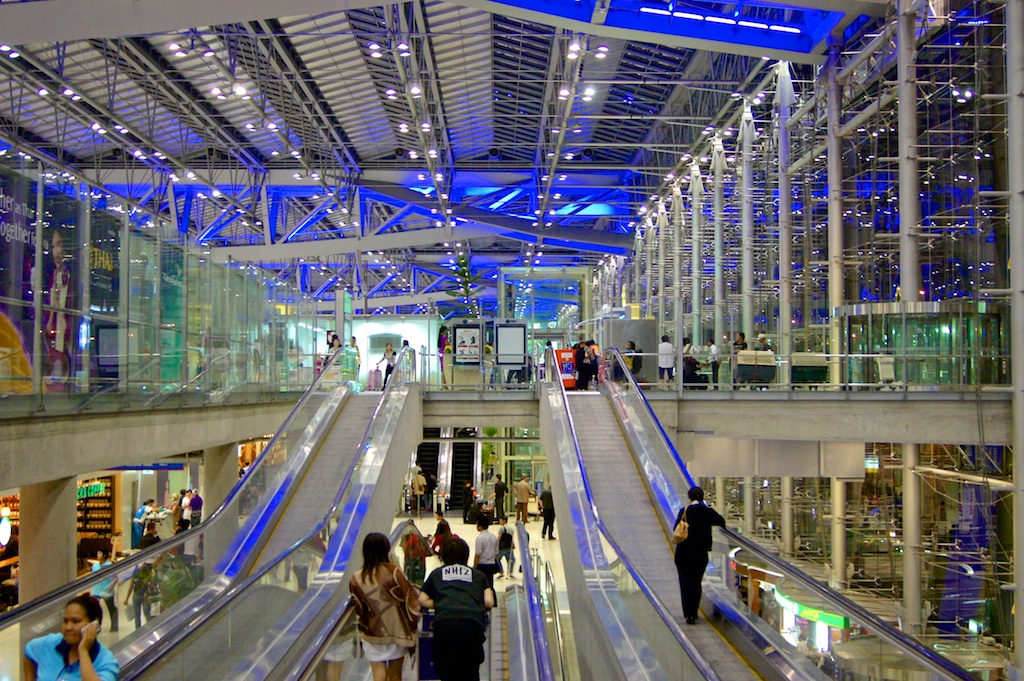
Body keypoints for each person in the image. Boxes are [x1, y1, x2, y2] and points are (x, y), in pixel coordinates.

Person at [419, 537, 494, 681]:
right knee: (470, 671)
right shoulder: (478, 575)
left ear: (444, 556)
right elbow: (489, 602)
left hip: (445, 623)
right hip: (471, 625)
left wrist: (441, 603)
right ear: (466, 555)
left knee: (447, 670)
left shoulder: (437, 574)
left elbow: (422, 600)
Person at [349, 532, 420, 681]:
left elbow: (359, 607)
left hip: (372, 633)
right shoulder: (393, 572)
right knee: (395, 675)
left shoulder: (356, 578)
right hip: (397, 631)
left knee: (378, 674)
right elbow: (411, 598)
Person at [23, 594, 119, 681]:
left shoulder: (105, 662)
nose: (68, 627)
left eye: (75, 621)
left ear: (95, 625)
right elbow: (29, 650)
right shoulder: (51, 643)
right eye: (65, 621)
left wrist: (83, 651)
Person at [673, 486, 726, 625]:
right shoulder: (708, 512)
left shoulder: (685, 511)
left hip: (683, 553)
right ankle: (694, 613)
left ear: (690, 497)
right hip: (700, 554)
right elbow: (721, 522)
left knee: (685, 582)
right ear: (702, 497)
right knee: (696, 583)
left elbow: (676, 529)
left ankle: (688, 614)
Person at [91, 549, 119, 633]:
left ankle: (114, 626)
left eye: (99, 553)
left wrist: (110, 589)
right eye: (97, 553)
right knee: (96, 610)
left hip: (107, 591)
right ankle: (97, 627)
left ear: (104, 555)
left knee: (111, 609)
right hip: (96, 591)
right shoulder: (95, 566)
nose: (97, 555)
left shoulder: (109, 565)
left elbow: (115, 578)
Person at [123, 562, 157, 629]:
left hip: (146, 596)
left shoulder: (149, 573)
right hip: (136, 596)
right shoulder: (135, 574)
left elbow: (154, 585)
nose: (142, 566)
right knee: (137, 615)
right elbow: (131, 587)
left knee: (146, 613)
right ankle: (138, 630)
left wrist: (149, 583)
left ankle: (151, 628)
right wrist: (127, 598)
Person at [472, 517, 501, 587]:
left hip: (482, 565)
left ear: (480, 526)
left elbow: (478, 554)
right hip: (491, 564)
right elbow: (496, 553)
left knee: (481, 584)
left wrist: (474, 567)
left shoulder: (480, 538)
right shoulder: (494, 537)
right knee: (490, 583)